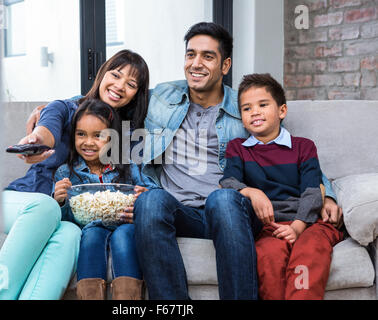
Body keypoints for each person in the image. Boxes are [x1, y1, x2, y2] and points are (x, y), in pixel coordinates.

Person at [133, 22, 343, 300]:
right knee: (150, 201)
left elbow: (288, 150)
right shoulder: (161, 96)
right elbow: (107, 100)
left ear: (225, 65)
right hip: (181, 211)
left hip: (232, 210)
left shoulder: (244, 106)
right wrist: (60, 111)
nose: (196, 63)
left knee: (222, 199)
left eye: (208, 56)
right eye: (190, 54)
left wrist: (326, 194)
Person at [0, 50, 150, 300]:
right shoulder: (64, 108)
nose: (120, 86)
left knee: (70, 234)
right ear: (102, 74)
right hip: (20, 202)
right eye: (116, 75)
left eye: (131, 84)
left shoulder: (124, 139)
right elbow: (47, 130)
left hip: (58, 217)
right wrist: (36, 141)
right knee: (46, 206)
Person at [220, 73, 344, 299]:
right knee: (268, 257)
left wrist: (297, 227)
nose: (254, 111)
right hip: (269, 226)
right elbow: (229, 181)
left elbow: (312, 191)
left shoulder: (303, 147)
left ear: (282, 111)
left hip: (308, 222)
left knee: (310, 252)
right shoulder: (237, 148)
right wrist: (251, 191)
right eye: (247, 109)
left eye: (263, 105)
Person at [53, 99, 158, 300]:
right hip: (90, 225)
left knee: (124, 236)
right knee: (91, 236)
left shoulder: (129, 166)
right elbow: (66, 221)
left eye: (98, 135)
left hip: (125, 224)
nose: (88, 142)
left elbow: (152, 191)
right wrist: (60, 201)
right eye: (81, 134)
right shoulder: (66, 173)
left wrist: (144, 197)